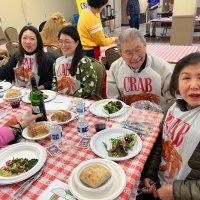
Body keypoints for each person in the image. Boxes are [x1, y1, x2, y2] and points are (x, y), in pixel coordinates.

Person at [137, 52, 200, 200]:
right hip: (160, 183)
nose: (194, 85)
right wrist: (150, 173)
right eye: (186, 78)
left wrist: (175, 192)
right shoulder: (174, 108)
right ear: (177, 83)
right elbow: (162, 142)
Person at [106, 28, 174, 107]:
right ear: (121, 54)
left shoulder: (164, 68)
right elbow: (113, 100)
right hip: (125, 114)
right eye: (129, 53)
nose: (135, 57)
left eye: (138, 50)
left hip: (157, 114)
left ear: (145, 45)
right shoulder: (115, 68)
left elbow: (172, 100)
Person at [0, 25, 57, 90]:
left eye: (32, 38)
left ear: (38, 41)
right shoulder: (17, 55)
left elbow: (51, 81)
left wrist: (36, 90)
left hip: (39, 95)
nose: (27, 42)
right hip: (20, 94)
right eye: (24, 38)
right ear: (20, 40)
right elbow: (6, 71)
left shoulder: (47, 59)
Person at [52, 25, 98, 100]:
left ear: (77, 43)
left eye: (67, 42)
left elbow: (89, 86)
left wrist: (70, 98)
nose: (63, 45)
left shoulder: (84, 62)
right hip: (60, 102)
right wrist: (56, 96)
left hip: (79, 102)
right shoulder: (57, 62)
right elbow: (54, 83)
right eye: (60, 41)